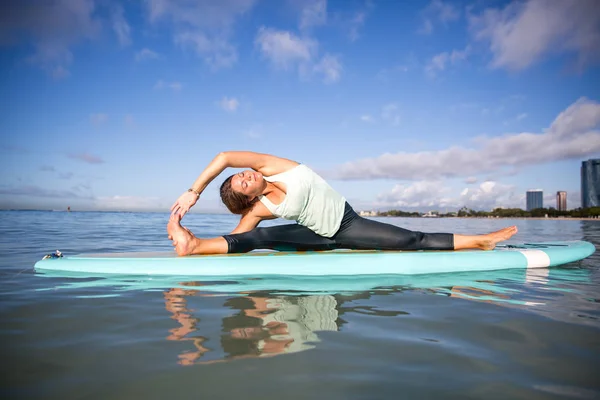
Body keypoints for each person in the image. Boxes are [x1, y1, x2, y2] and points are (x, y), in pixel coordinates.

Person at [168, 151, 517, 256]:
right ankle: (192, 243)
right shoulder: (260, 209)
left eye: (242, 175)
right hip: (319, 237)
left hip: (348, 224)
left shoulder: (274, 167)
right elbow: (241, 236)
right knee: (259, 238)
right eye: (242, 185)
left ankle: (481, 240)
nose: (245, 176)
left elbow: (225, 156)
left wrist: (194, 191)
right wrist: (216, 257)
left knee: (413, 240)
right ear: (248, 198)